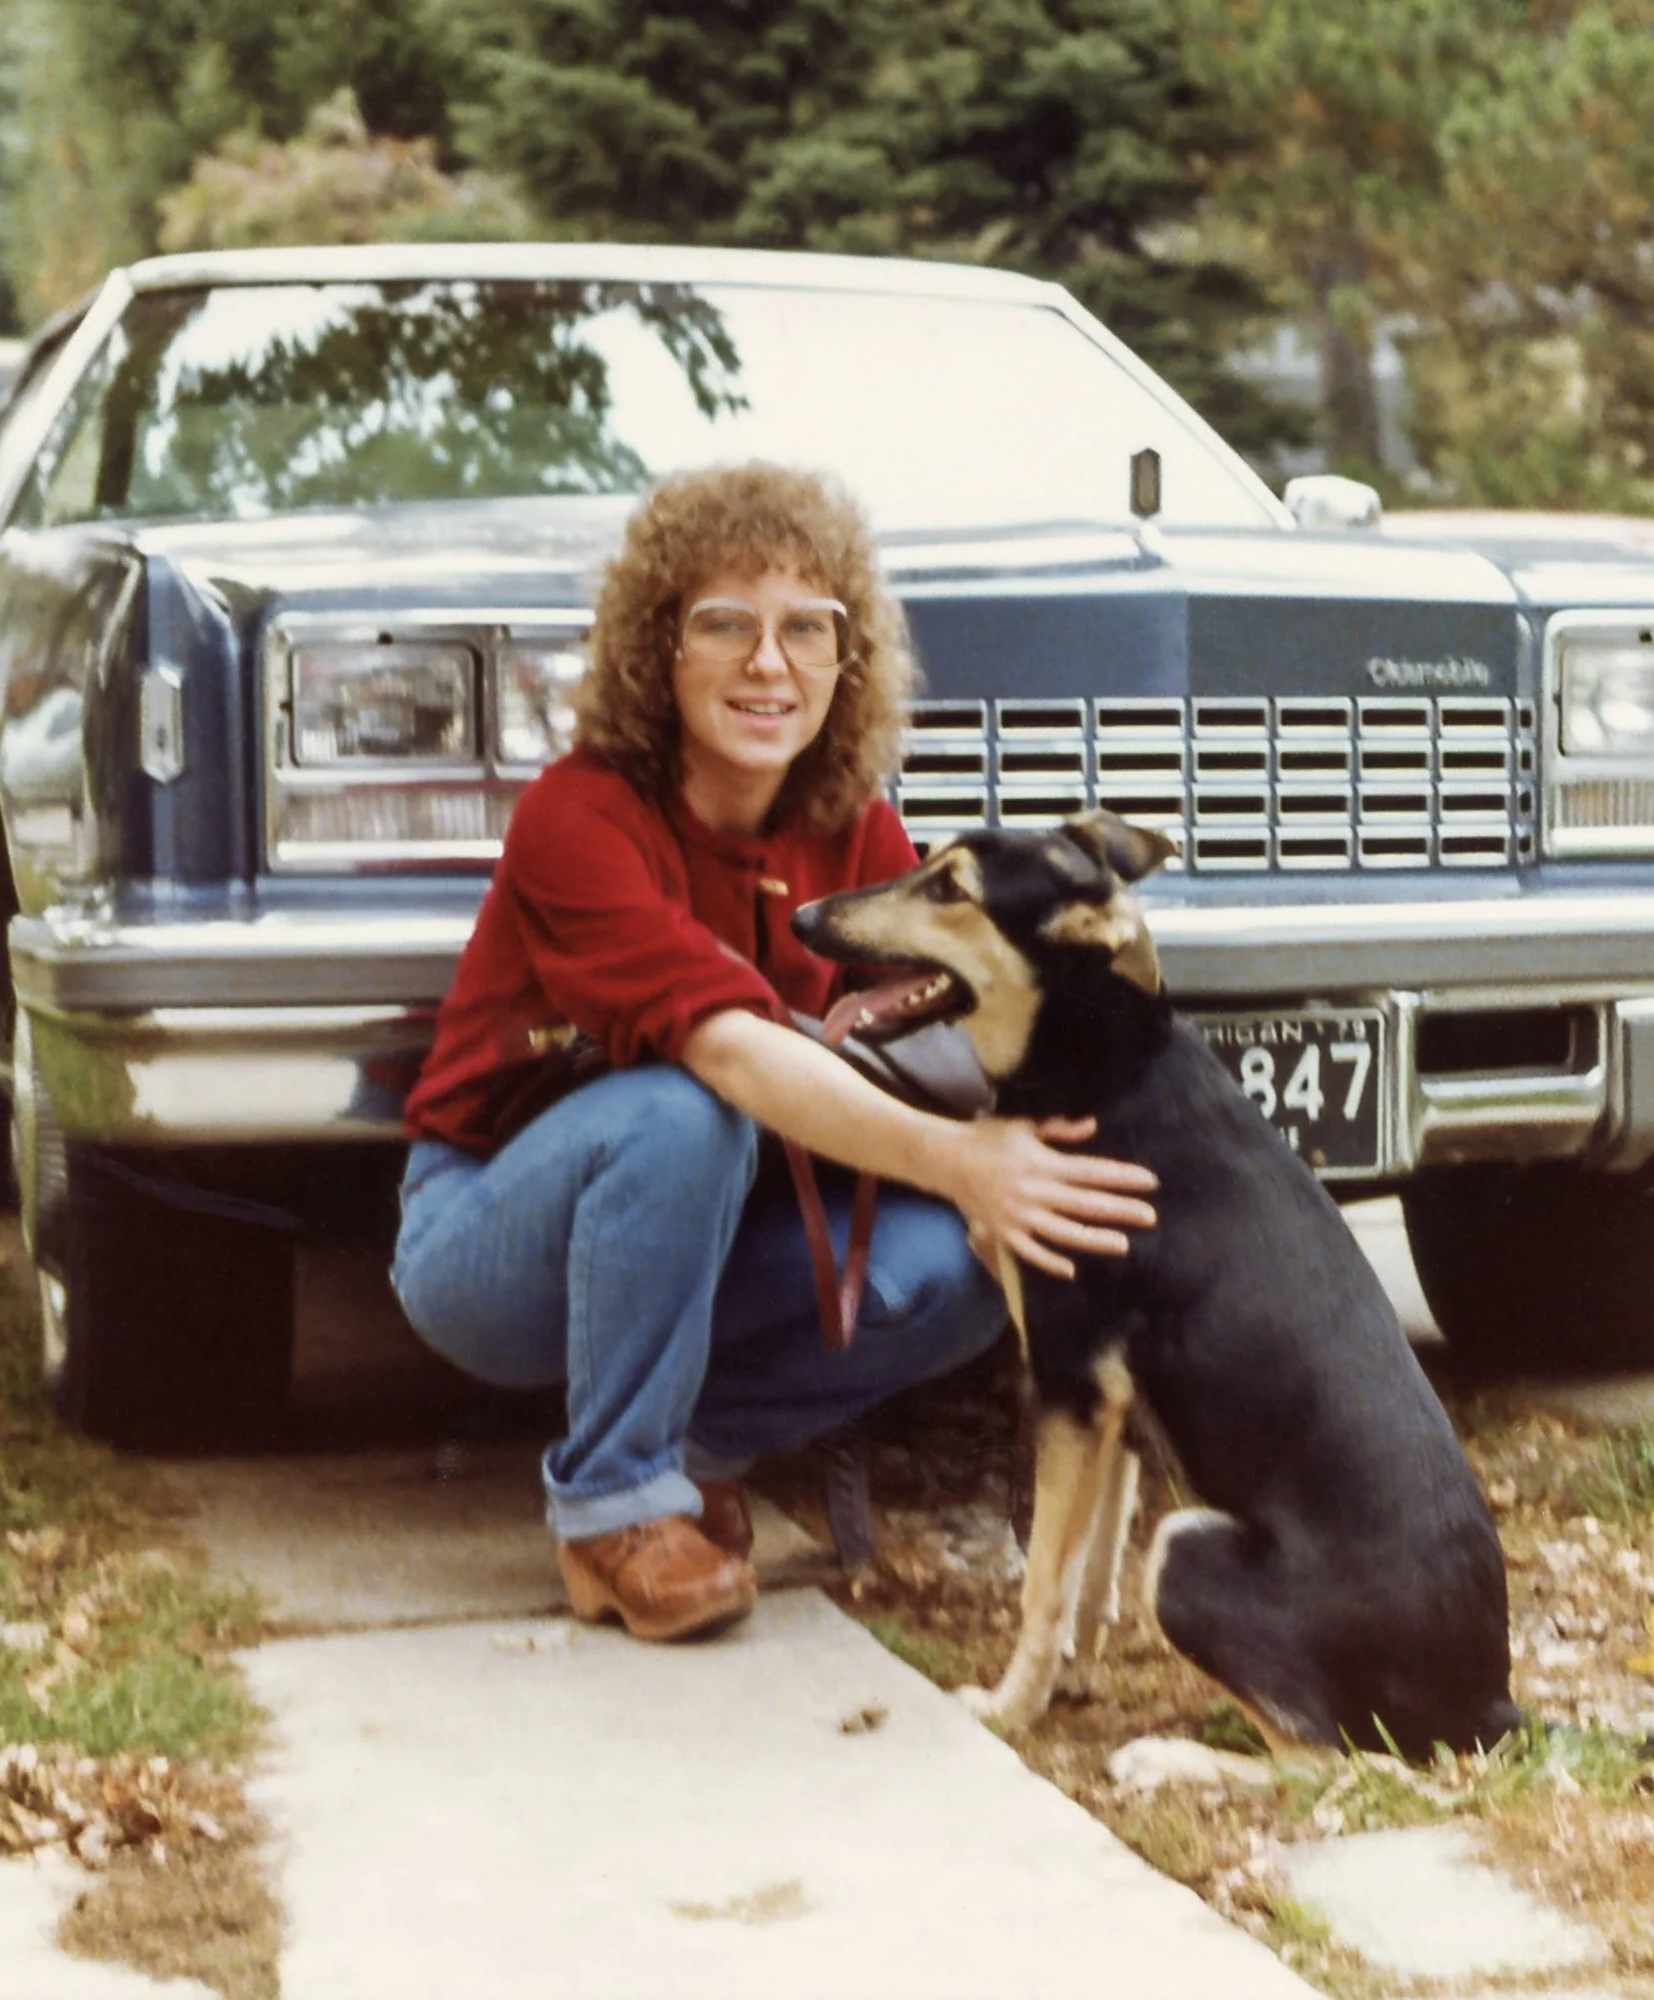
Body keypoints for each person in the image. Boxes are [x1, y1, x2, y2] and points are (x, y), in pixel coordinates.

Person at [390, 462, 1158, 1643]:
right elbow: (737, 1057)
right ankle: (610, 1512)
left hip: (717, 1230)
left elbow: (938, 1023)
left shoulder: (851, 823)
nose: (769, 662)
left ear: (845, 660)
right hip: (491, 1238)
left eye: (808, 627)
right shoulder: (577, 813)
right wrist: (960, 1157)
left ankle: (688, 1455)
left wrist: (1033, 1166)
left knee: (966, 1260)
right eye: (726, 625)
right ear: (661, 650)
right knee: (679, 1109)